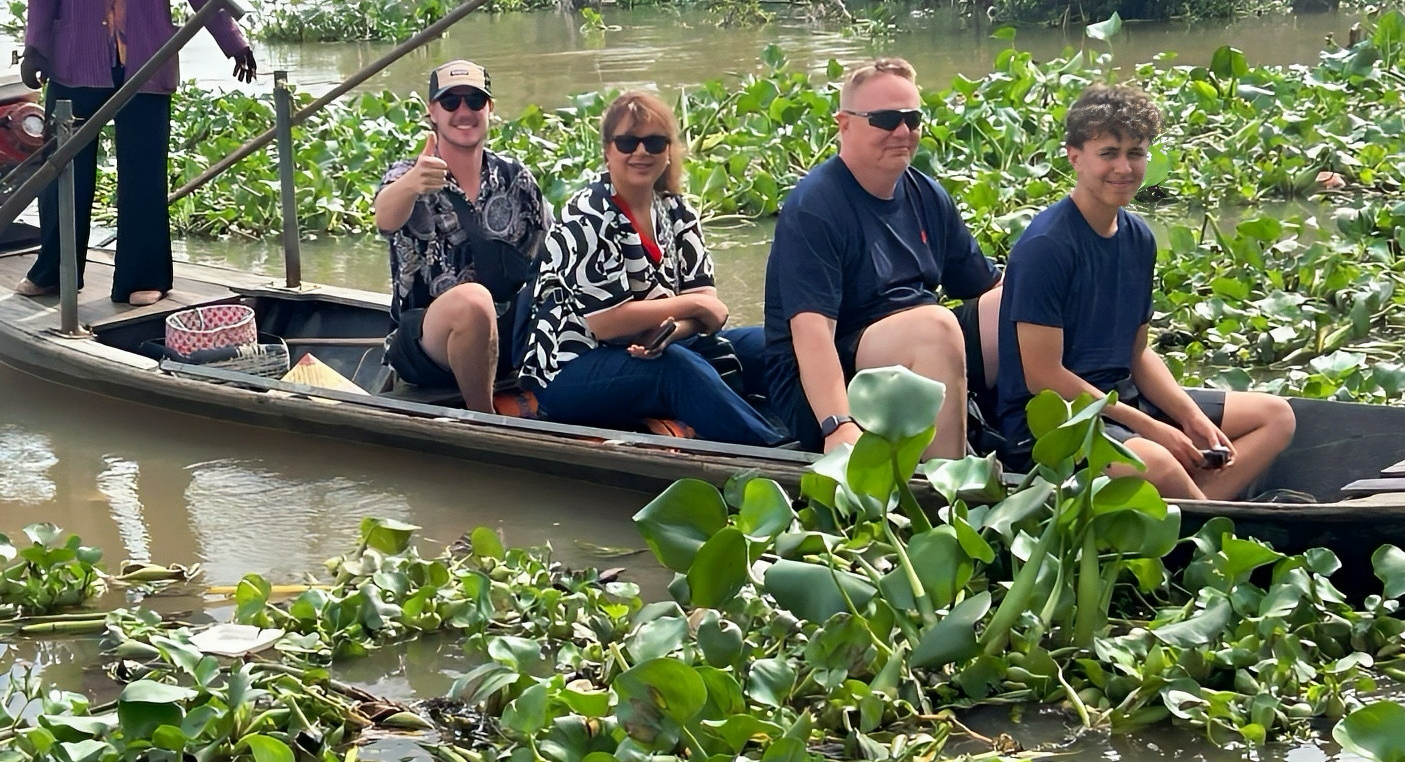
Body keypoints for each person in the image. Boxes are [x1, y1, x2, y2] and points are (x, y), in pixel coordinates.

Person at [995, 82, 1295, 498]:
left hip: (1124, 400)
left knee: (1276, 416)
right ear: (1074, 157)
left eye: (1135, 153)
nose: (1124, 168)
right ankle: (1205, 515)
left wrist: (1189, 416)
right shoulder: (1047, 246)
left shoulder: (1138, 238)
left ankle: (1192, 504)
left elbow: (1137, 354)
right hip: (1056, 422)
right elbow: (1044, 376)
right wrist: (1151, 428)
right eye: (1108, 153)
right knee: (1158, 462)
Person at [16, 0, 256, 306]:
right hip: (76, 58)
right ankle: (55, 270)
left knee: (143, 171)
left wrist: (232, 40)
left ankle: (141, 277)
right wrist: (35, 45)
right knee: (63, 170)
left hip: (146, 57)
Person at [763, 57, 1000, 457]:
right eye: (886, 120)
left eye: (912, 119)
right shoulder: (815, 206)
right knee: (935, 328)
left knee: (1020, 301)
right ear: (844, 124)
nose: (902, 132)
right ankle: (948, 477)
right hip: (829, 380)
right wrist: (837, 424)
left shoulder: (928, 195)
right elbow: (812, 332)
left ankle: (1025, 434)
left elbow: (985, 284)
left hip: (919, 353)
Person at [520, 91, 782, 446]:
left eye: (655, 142)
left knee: (771, 344)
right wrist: (692, 308)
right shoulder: (586, 214)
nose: (641, 152)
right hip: (573, 365)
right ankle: (774, 453)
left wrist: (668, 332)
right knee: (674, 369)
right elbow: (607, 322)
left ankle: (828, 434)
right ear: (608, 150)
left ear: (668, 150)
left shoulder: (677, 211)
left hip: (662, 346)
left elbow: (710, 308)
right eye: (628, 143)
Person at [375, 60, 549, 411]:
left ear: (489, 108)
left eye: (475, 101)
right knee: (473, 301)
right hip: (426, 346)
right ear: (432, 112)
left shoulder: (514, 177)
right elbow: (385, 217)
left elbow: (554, 248)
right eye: (451, 102)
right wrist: (411, 185)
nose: (464, 112)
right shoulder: (409, 173)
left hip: (506, 340)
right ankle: (483, 419)